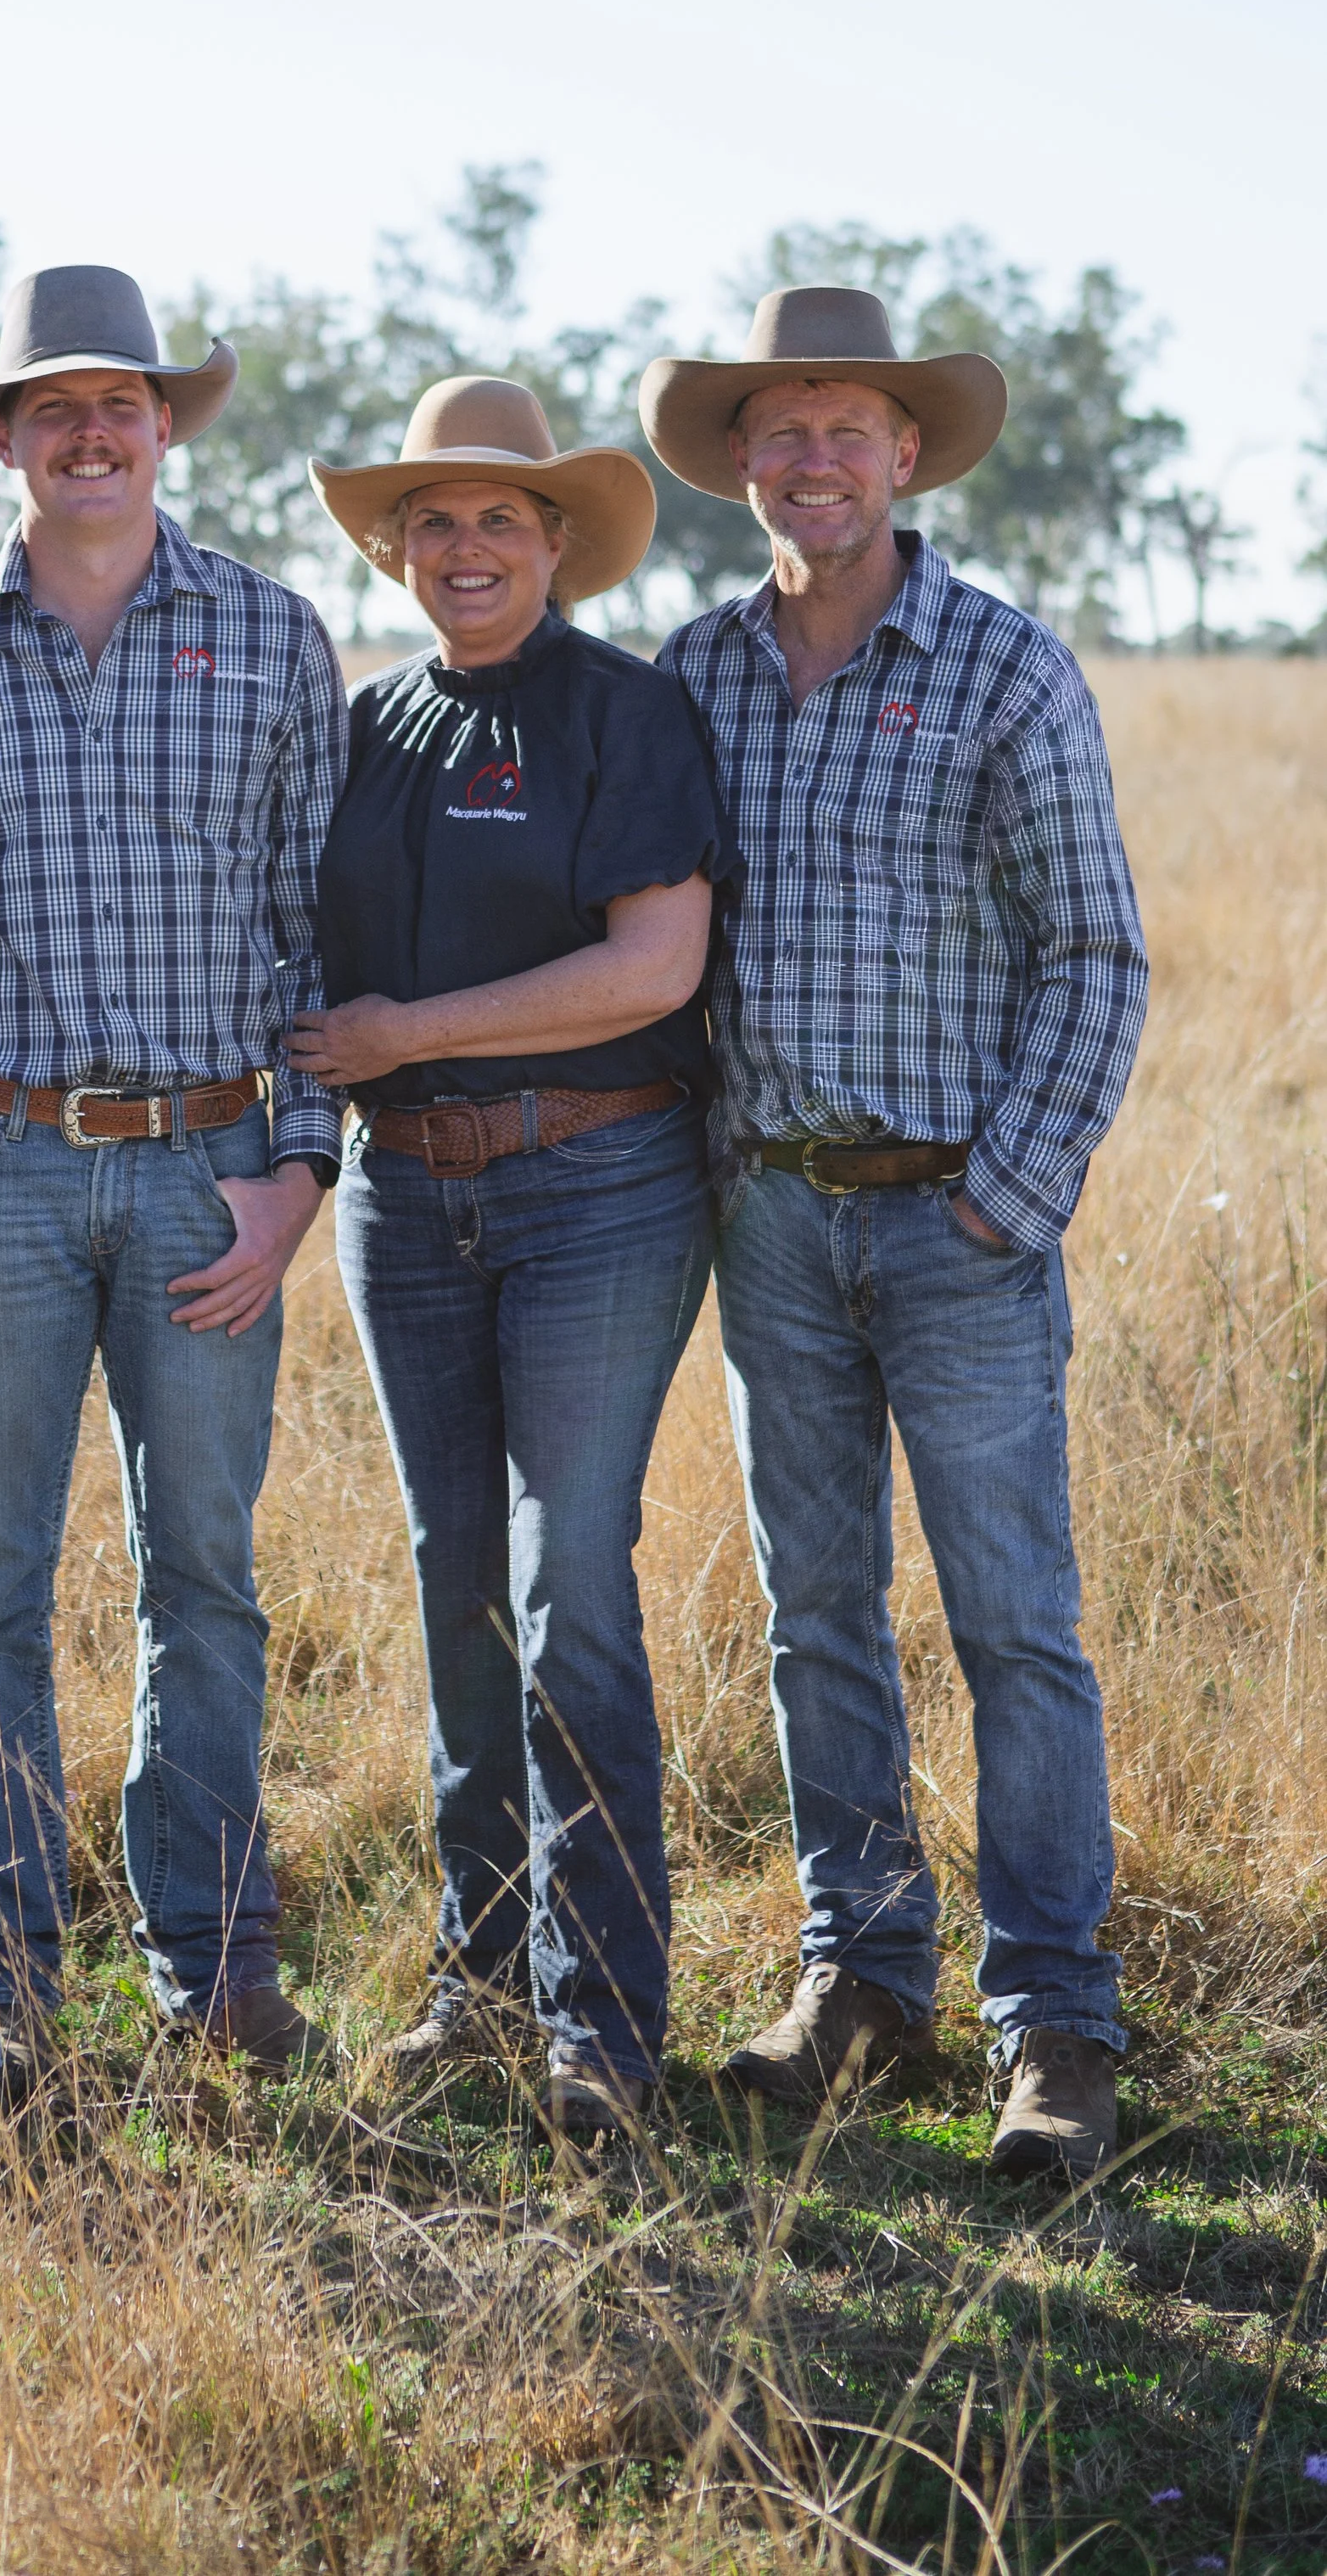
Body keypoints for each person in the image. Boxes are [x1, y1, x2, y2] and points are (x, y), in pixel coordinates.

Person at [646, 287, 1150, 2181]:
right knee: (816, 1617)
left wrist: (1000, 1198)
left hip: (955, 1220)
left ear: (906, 455)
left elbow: (1093, 956)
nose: (811, 461)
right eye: (777, 432)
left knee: (1014, 1624)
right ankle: (859, 1977)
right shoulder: (690, 677)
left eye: (845, 427)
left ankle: (1053, 2029)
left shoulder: (1004, 668)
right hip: (770, 1218)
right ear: (736, 468)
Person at [0, 264, 348, 2090]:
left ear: (161, 425)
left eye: (116, 402)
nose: (84, 432)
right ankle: (2, 1962)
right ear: (1, 434)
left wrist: (297, 1177)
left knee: (201, 1572)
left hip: (213, 1166)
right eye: (46, 405)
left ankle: (214, 1957)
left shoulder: (276, 636)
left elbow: (315, 926)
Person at [287, 375, 730, 2138]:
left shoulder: (627, 717)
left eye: (499, 518)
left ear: (557, 541)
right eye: (432, 522)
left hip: (597, 1191)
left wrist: (407, 1032)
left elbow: (650, 968)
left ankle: (602, 2029)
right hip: (403, 1206)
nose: (463, 548)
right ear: (395, 551)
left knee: (569, 1588)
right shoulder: (357, 726)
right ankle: (479, 1980)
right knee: (455, 1587)